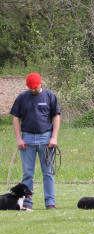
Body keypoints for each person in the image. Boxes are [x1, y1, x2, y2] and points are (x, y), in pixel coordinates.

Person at [10, 73, 61, 210]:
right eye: (31, 88)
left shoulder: (50, 96)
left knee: (48, 172)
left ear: (41, 83)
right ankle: (26, 203)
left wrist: (54, 137)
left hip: (46, 138)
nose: (33, 90)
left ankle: (50, 203)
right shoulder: (22, 98)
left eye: (36, 87)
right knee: (27, 173)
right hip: (27, 139)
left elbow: (56, 116)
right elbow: (16, 118)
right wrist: (19, 138)